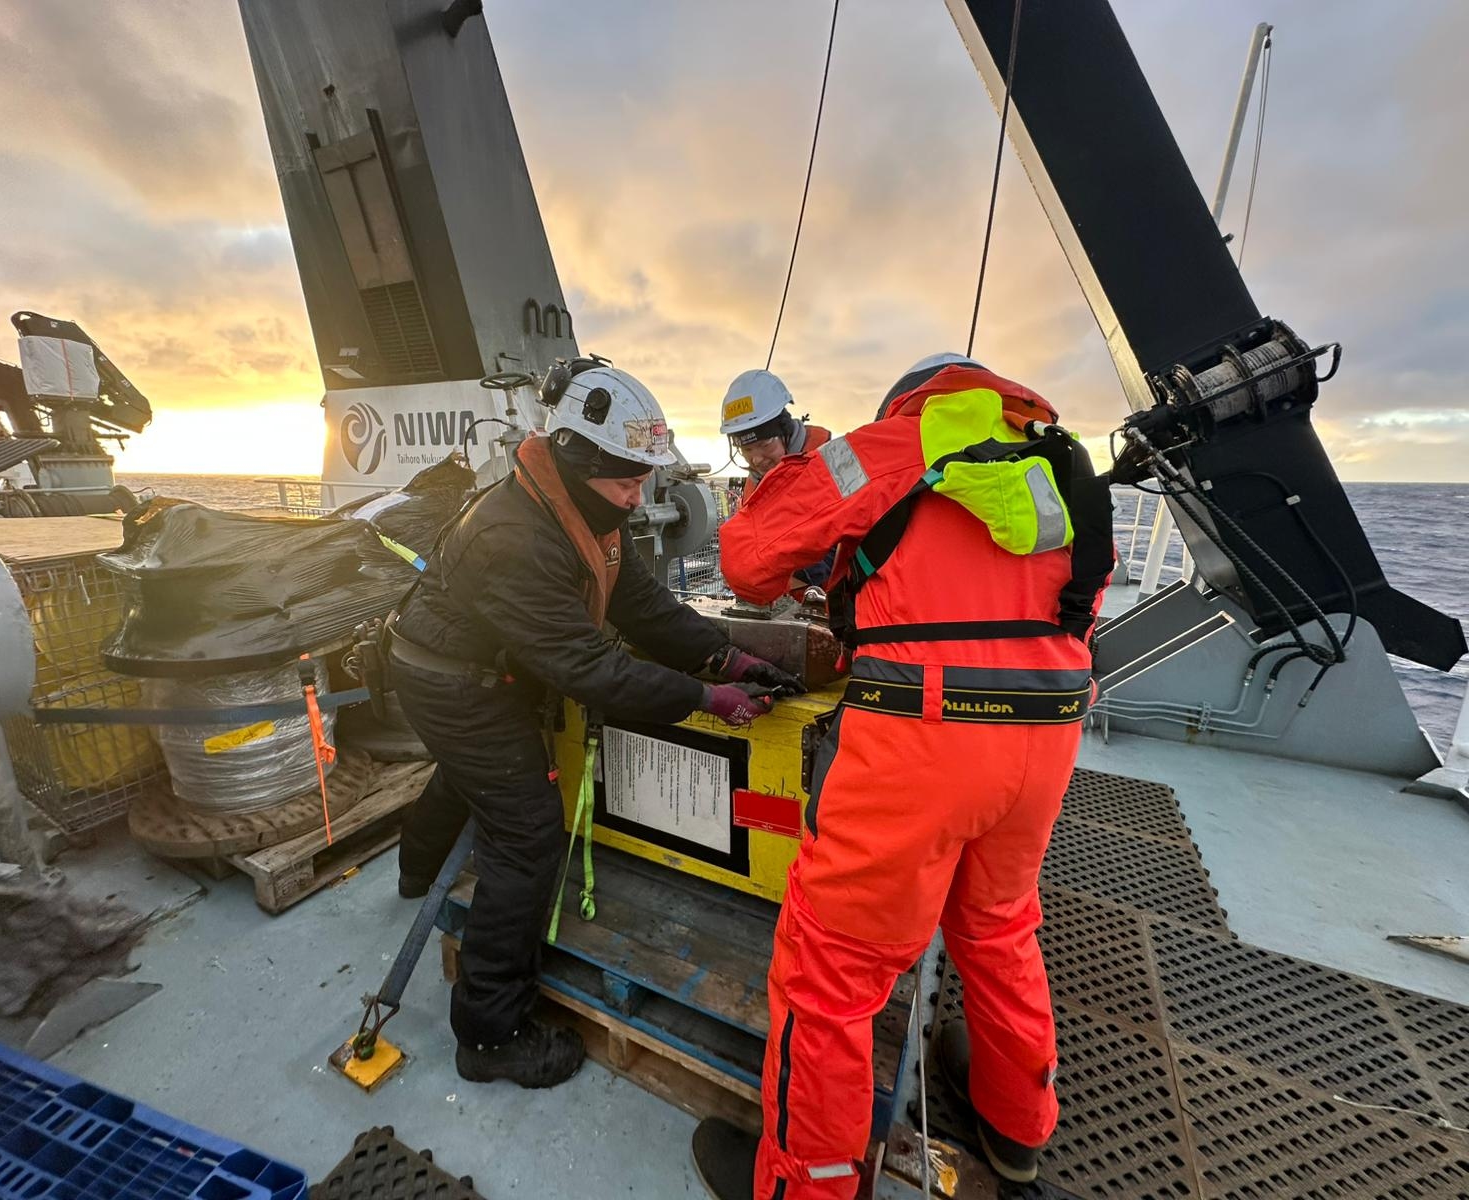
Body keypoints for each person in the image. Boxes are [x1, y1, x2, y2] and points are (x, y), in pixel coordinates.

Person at [691, 353, 1113, 1196]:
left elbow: (744, 563)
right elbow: (1083, 600)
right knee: (997, 926)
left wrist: (787, 488)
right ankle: (1016, 1127)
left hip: (922, 740)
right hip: (1045, 740)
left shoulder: (886, 449)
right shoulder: (1063, 461)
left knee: (832, 974)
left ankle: (802, 1184)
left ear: (908, 401)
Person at [387, 358, 804, 1090]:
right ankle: (488, 1035)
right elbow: (591, 669)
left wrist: (726, 658)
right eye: (627, 480)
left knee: (470, 776)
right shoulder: (513, 539)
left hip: (481, 667)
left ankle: (416, 870)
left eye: (645, 478)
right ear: (578, 462)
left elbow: (641, 607)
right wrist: (708, 701)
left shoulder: (586, 512)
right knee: (525, 832)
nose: (639, 496)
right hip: (451, 682)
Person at [719, 369, 834, 592]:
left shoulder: (826, 463)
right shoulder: (757, 482)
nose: (757, 458)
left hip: (836, 601)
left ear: (786, 431)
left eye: (765, 444)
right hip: (788, 602)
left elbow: (847, 530)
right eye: (747, 448)